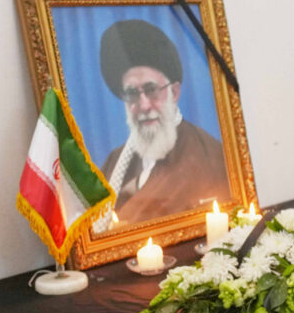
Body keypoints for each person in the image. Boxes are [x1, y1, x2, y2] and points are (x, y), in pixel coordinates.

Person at [98, 19, 231, 225]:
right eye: (132, 93)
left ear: (174, 92)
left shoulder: (210, 159)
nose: (144, 105)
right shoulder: (114, 163)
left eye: (151, 90)